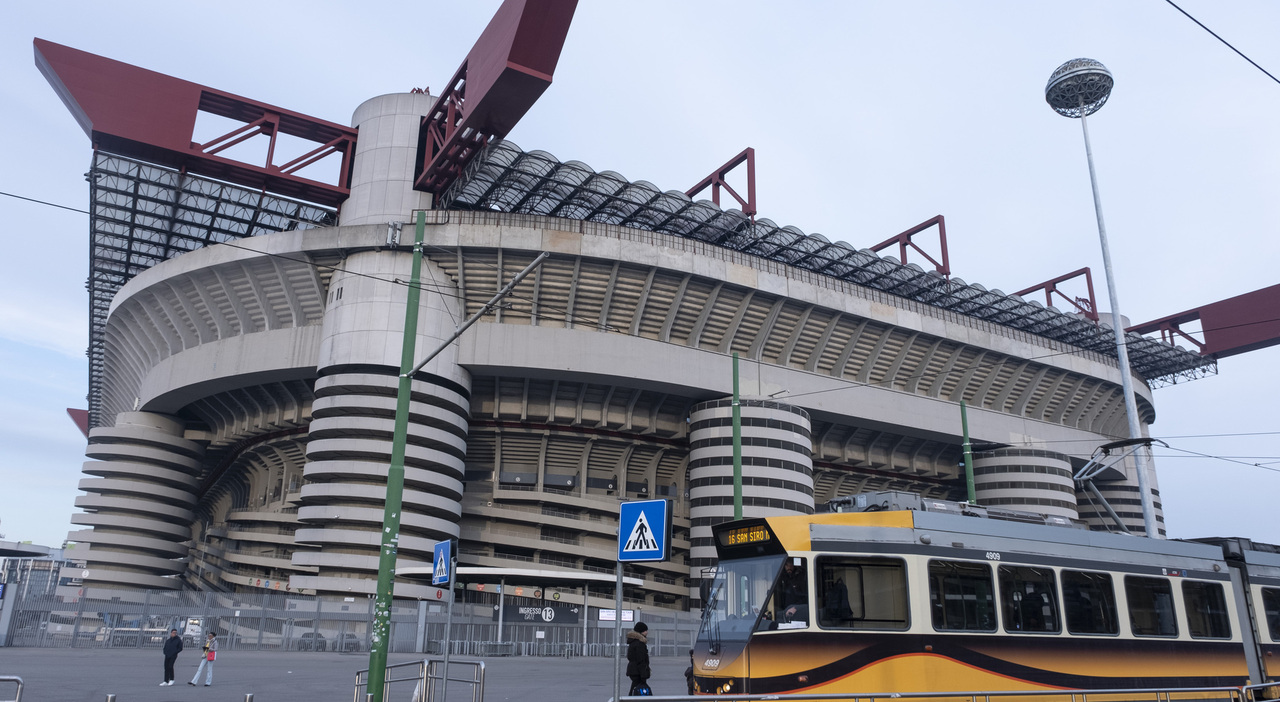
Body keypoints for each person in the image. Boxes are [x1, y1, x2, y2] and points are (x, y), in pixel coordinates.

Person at [625, 621, 651, 696]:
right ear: (641, 632)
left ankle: (630, 699)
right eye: (645, 630)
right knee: (638, 689)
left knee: (635, 688)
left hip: (633, 670)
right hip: (637, 671)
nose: (647, 632)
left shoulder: (633, 642)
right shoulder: (639, 644)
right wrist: (643, 674)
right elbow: (641, 660)